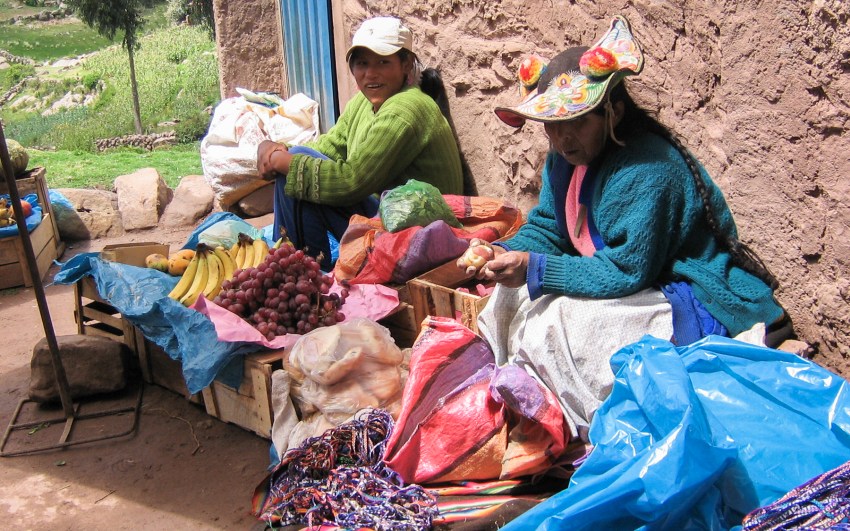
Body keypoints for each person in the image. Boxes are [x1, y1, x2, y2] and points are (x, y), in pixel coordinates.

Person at [462, 15, 787, 441]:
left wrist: (537, 270)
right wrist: (505, 253)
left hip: (685, 291)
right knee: (509, 297)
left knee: (563, 319)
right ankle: (529, 403)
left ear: (612, 112)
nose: (562, 138)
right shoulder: (565, 160)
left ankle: (582, 426)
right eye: (553, 126)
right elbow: (548, 227)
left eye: (577, 121)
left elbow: (625, 271)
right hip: (629, 279)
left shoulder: (647, 170)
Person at [257, 16, 464, 271]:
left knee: (295, 169)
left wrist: (285, 160)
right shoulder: (364, 103)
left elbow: (352, 182)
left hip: (420, 231)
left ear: (406, 64)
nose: (370, 73)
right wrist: (275, 150)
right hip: (389, 218)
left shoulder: (406, 109)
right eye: (362, 63)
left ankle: (300, 271)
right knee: (296, 163)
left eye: (383, 63)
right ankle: (304, 270)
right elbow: (326, 148)